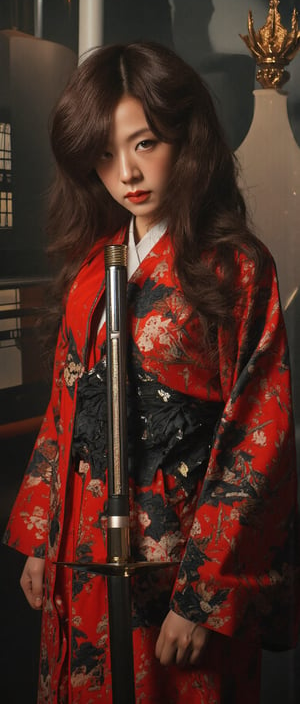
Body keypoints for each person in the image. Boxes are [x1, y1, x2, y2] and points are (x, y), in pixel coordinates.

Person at [3, 41, 299, 704]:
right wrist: (41, 540)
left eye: (144, 143)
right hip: (81, 544)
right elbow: (62, 416)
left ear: (186, 138)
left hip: (175, 563)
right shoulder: (92, 269)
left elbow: (260, 439)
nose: (125, 173)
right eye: (105, 154)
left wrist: (203, 595)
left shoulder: (238, 270)